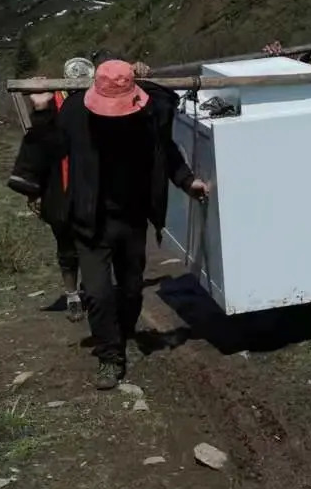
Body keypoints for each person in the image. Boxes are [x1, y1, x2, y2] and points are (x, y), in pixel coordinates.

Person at [30, 59, 209, 389]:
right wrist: (42, 111)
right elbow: (47, 148)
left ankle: (122, 333)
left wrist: (186, 180)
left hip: (132, 217)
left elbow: (166, 150)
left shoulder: (146, 114)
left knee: (131, 289)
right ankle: (109, 357)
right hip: (89, 219)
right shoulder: (75, 112)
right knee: (98, 294)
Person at [8, 57, 95, 323]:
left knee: (94, 242)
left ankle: (94, 290)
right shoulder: (52, 103)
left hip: (91, 185)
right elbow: (38, 147)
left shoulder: (99, 101)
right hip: (59, 184)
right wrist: (34, 190)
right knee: (66, 245)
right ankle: (72, 296)